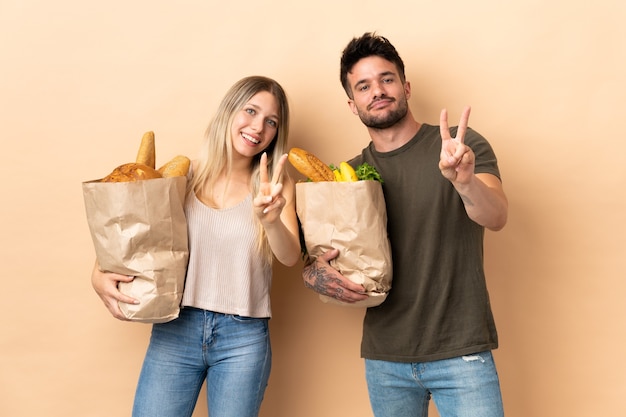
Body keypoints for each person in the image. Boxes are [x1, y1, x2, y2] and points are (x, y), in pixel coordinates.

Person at [302, 33, 509, 416]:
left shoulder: (460, 147)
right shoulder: (347, 180)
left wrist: (464, 181)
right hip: (386, 358)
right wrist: (314, 274)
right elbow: (319, 258)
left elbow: (496, 216)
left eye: (387, 79)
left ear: (406, 86)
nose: (377, 91)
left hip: (461, 351)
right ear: (352, 104)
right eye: (363, 86)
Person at [91, 75, 301, 417]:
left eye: (271, 121)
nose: (258, 126)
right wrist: (97, 273)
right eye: (250, 110)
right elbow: (133, 231)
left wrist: (271, 219)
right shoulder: (183, 176)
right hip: (176, 328)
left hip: (243, 337)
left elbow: (290, 256)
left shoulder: (275, 185)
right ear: (229, 112)